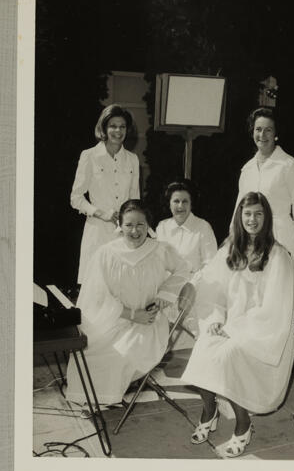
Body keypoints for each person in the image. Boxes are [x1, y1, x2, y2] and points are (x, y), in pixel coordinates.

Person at [182, 192, 294, 458]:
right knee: (203, 348)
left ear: (266, 217)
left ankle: (243, 424)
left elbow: (273, 310)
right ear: (239, 217)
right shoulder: (232, 249)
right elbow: (214, 289)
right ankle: (209, 412)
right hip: (230, 326)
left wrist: (233, 330)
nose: (252, 219)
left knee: (228, 356)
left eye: (258, 213)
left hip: (263, 334)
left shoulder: (278, 256)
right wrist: (216, 320)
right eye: (247, 214)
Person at [66, 200, 191, 407]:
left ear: (148, 225)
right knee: (89, 351)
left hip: (148, 324)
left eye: (140, 224)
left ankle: (107, 398)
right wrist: (131, 314)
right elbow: (97, 296)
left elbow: (183, 269)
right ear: (120, 226)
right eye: (129, 225)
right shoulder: (106, 253)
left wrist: (165, 294)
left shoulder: (160, 250)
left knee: (120, 355)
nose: (134, 231)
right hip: (115, 319)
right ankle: (94, 399)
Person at [232, 107, 294, 309]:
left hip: (280, 238)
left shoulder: (289, 166)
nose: (262, 135)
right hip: (249, 241)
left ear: (276, 134)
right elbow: (238, 211)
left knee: (277, 303)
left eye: (268, 130)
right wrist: (233, 239)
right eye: (258, 129)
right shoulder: (247, 168)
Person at [70, 104, 140, 284]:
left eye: (122, 126)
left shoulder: (132, 159)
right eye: (113, 126)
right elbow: (76, 198)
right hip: (97, 233)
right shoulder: (89, 156)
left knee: (122, 289)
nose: (118, 131)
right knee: (96, 290)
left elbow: (135, 200)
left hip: (123, 236)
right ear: (104, 128)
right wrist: (101, 213)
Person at [156, 180, 217, 345]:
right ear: (169, 204)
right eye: (176, 201)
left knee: (198, 324)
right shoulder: (162, 227)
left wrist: (192, 284)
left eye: (185, 201)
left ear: (191, 204)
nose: (180, 206)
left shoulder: (203, 227)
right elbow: (157, 261)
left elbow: (211, 265)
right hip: (167, 286)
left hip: (194, 285)